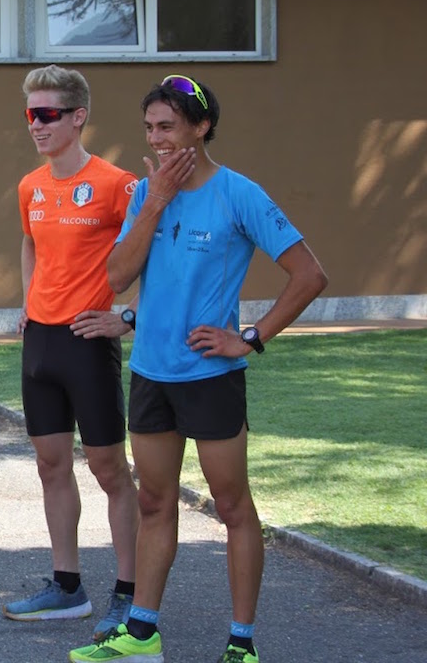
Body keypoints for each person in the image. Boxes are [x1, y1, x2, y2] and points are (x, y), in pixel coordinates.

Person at [69, 75, 328, 663]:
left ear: (202, 126)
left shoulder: (239, 194)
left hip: (210, 377)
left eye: (167, 126)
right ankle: (142, 635)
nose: (156, 139)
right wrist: (156, 201)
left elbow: (310, 275)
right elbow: (116, 277)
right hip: (151, 373)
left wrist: (250, 338)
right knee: (154, 503)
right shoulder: (146, 193)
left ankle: (241, 644)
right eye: (149, 128)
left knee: (232, 506)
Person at [3, 66, 140, 640]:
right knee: (50, 465)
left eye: (47, 114)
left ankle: (130, 596)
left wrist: (127, 316)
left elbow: (154, 256)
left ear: (78, 116)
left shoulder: (118, 185)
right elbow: (30, 245)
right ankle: (67, 587)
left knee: (109, 469)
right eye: (30, 114)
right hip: (41, 342)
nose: (35, 125)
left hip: (88, 341)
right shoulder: (30, 186)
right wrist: (29, 300)